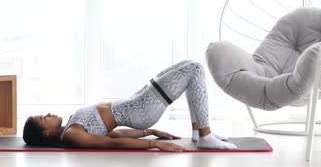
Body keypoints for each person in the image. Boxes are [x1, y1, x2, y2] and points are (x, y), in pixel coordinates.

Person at [23, 60, 237, 152]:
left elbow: (114, 134)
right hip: (141, 108)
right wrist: (155, 145)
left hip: (137, 103)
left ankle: (199, 133)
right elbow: (111, 143)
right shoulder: (71, 135)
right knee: (195, 69)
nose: (48, 114)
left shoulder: (70, 125)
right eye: (44, 118)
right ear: (45, 132)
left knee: (188, 65)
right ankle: (206, 137)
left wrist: (149, 132)